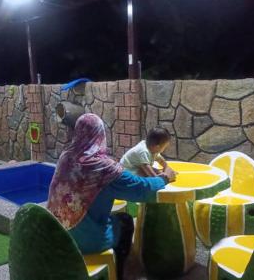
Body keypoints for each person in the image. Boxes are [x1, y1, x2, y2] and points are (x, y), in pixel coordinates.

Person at [47, 114, 176, 280]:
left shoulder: (66, 157)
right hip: (86, 240)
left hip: (58, 232)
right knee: (126, 221)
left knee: (109, 216)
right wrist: (165, 177)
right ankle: (119, 273)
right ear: (101, 135)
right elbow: (142, 190)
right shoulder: (104, 168)